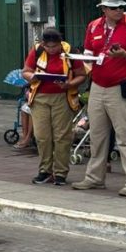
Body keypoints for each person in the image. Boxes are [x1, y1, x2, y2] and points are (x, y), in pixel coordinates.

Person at [72, 0, 126, 197]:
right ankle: (94, 178)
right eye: (114, 7)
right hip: (98, 86)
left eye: (121, 6)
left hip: (122, 86)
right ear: (104, 9)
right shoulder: (93, 26)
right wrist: (81, 60)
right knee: (97, 135)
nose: (119, 10)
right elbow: (90, 53)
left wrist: (125, 54)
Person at [22, 28, 86, 186]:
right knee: (42, 136)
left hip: (62, 98)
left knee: (62, 136)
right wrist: (34, 77)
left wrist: (69, 84)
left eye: (55, 46)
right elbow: (26, 71)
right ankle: (45, 171)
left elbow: (82, 75)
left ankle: (60, 172)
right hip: (40, 98)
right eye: (48, 46)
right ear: (43, 44)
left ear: (60, 43)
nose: (51, 50)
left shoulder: (69, 51)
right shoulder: (36, 51)